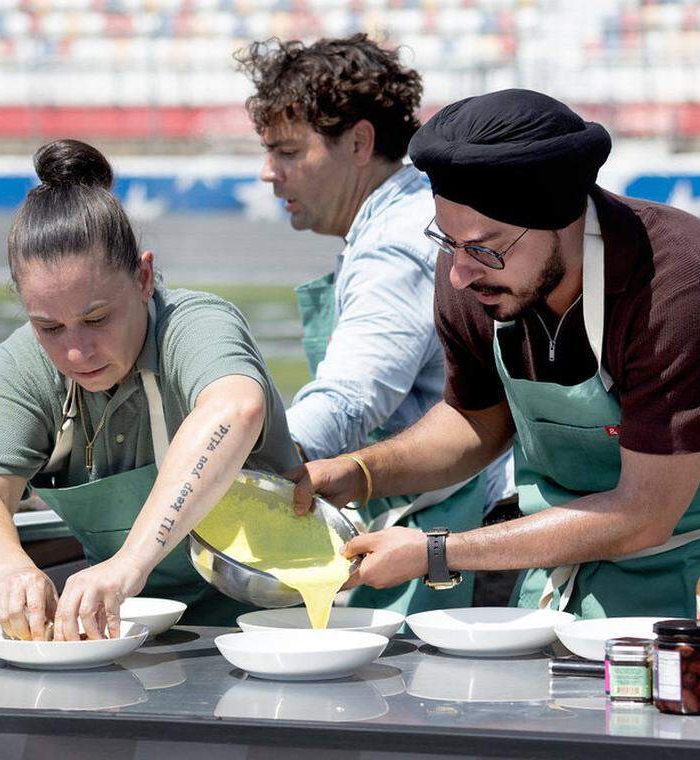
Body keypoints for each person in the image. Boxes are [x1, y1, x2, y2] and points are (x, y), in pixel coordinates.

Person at [291, 89, 700, 619]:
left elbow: (644, 514)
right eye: (448, 242)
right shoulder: (476, 275)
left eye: (485, 247)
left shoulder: (683, 289)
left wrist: (437, 553)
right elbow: (475, 421)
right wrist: (358, 472)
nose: (460, 273)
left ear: (562, 216)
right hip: (560, 559)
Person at [0, 139, 299, 639]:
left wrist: (130, 563)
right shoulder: (24, 360)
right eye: (50, 327)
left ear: (144, 276)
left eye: (97, 319)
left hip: (266, 625)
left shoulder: (195, 325)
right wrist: (11, 571)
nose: (77, 353)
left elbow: (237, 408)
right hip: (122, 630)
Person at [236, 35, 512, 615]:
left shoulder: (393, 245)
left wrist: (243, 469)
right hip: (451, 513)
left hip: (465, 527)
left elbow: (347, 399)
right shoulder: (414, 213)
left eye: (287, 152)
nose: (268, 173)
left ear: (360, 142)